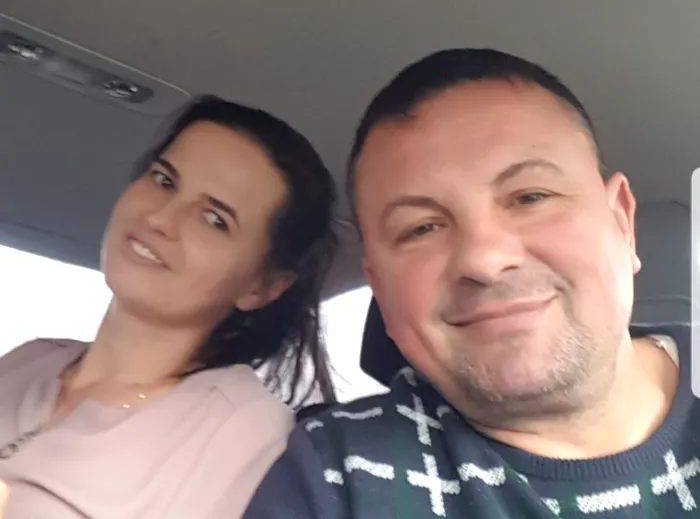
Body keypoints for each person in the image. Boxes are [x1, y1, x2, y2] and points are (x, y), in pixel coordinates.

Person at [243, 48, 698, 518]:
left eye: (530, 197)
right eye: (422, 228)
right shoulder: (333, 479)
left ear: (622, 221)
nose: (484, 260)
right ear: (380, 288)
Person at [0, 95, 337, 518]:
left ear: (262, 286)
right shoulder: (29, 360)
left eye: (214, 220)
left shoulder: (239, 427)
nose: (160, 218)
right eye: (163, 180)